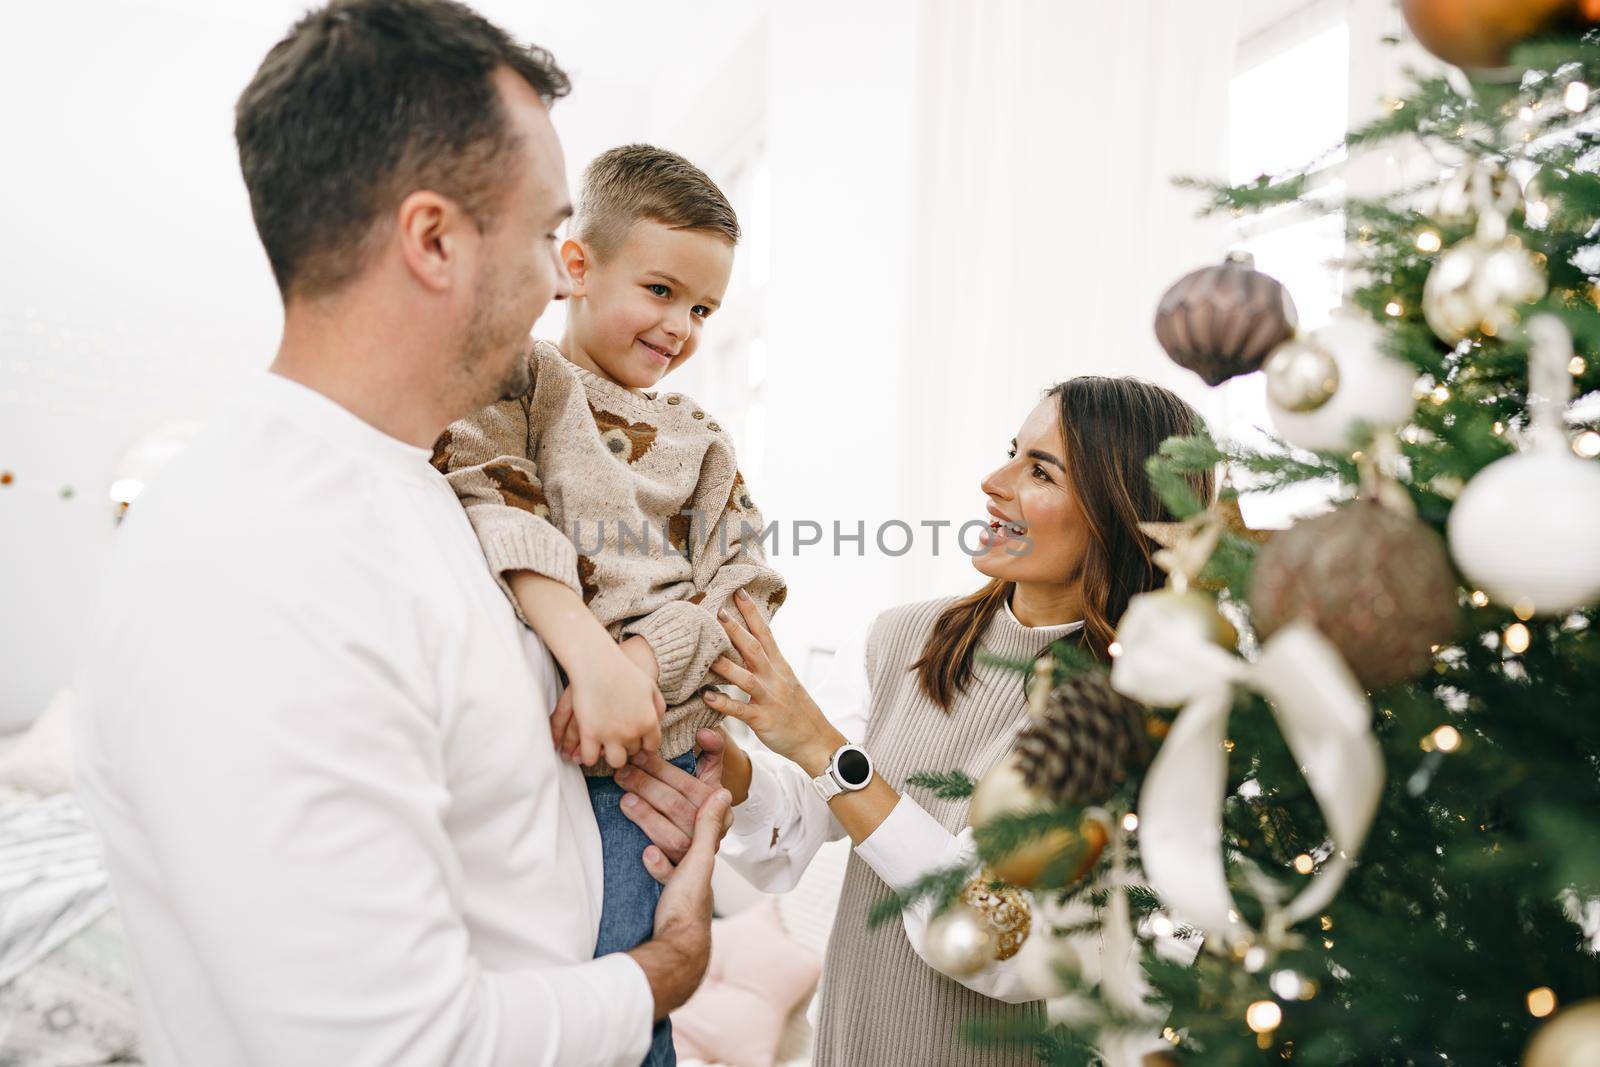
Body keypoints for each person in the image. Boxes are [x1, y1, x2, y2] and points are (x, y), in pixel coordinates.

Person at [70, 3, 728, 1065]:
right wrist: (666, 970)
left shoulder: (428, 487)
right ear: (433, 241)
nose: (558, 275)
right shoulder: (264, 555)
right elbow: (390, 1046)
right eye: (540, 236)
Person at [616, 377, 1211, 1066]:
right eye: (1012, 452)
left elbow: (993, 941)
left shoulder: (1138, 708)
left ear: (1117, 513)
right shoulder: (901, 637)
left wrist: (824, 747)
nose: (994, 481)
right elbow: (800, 832)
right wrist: (738, 774)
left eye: (1041, 470)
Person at [432, 141, 784, 1066]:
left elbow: (745, 587)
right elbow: (489, 490)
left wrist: (644, 662)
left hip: (657, 756)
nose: (682, 327)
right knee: (546, 995)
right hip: (543, 737)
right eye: (661, 291)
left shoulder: (704, 439)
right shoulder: (524, 379)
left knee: (631, 1007)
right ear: (577, 266)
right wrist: (589, 650)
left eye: (704, 308)